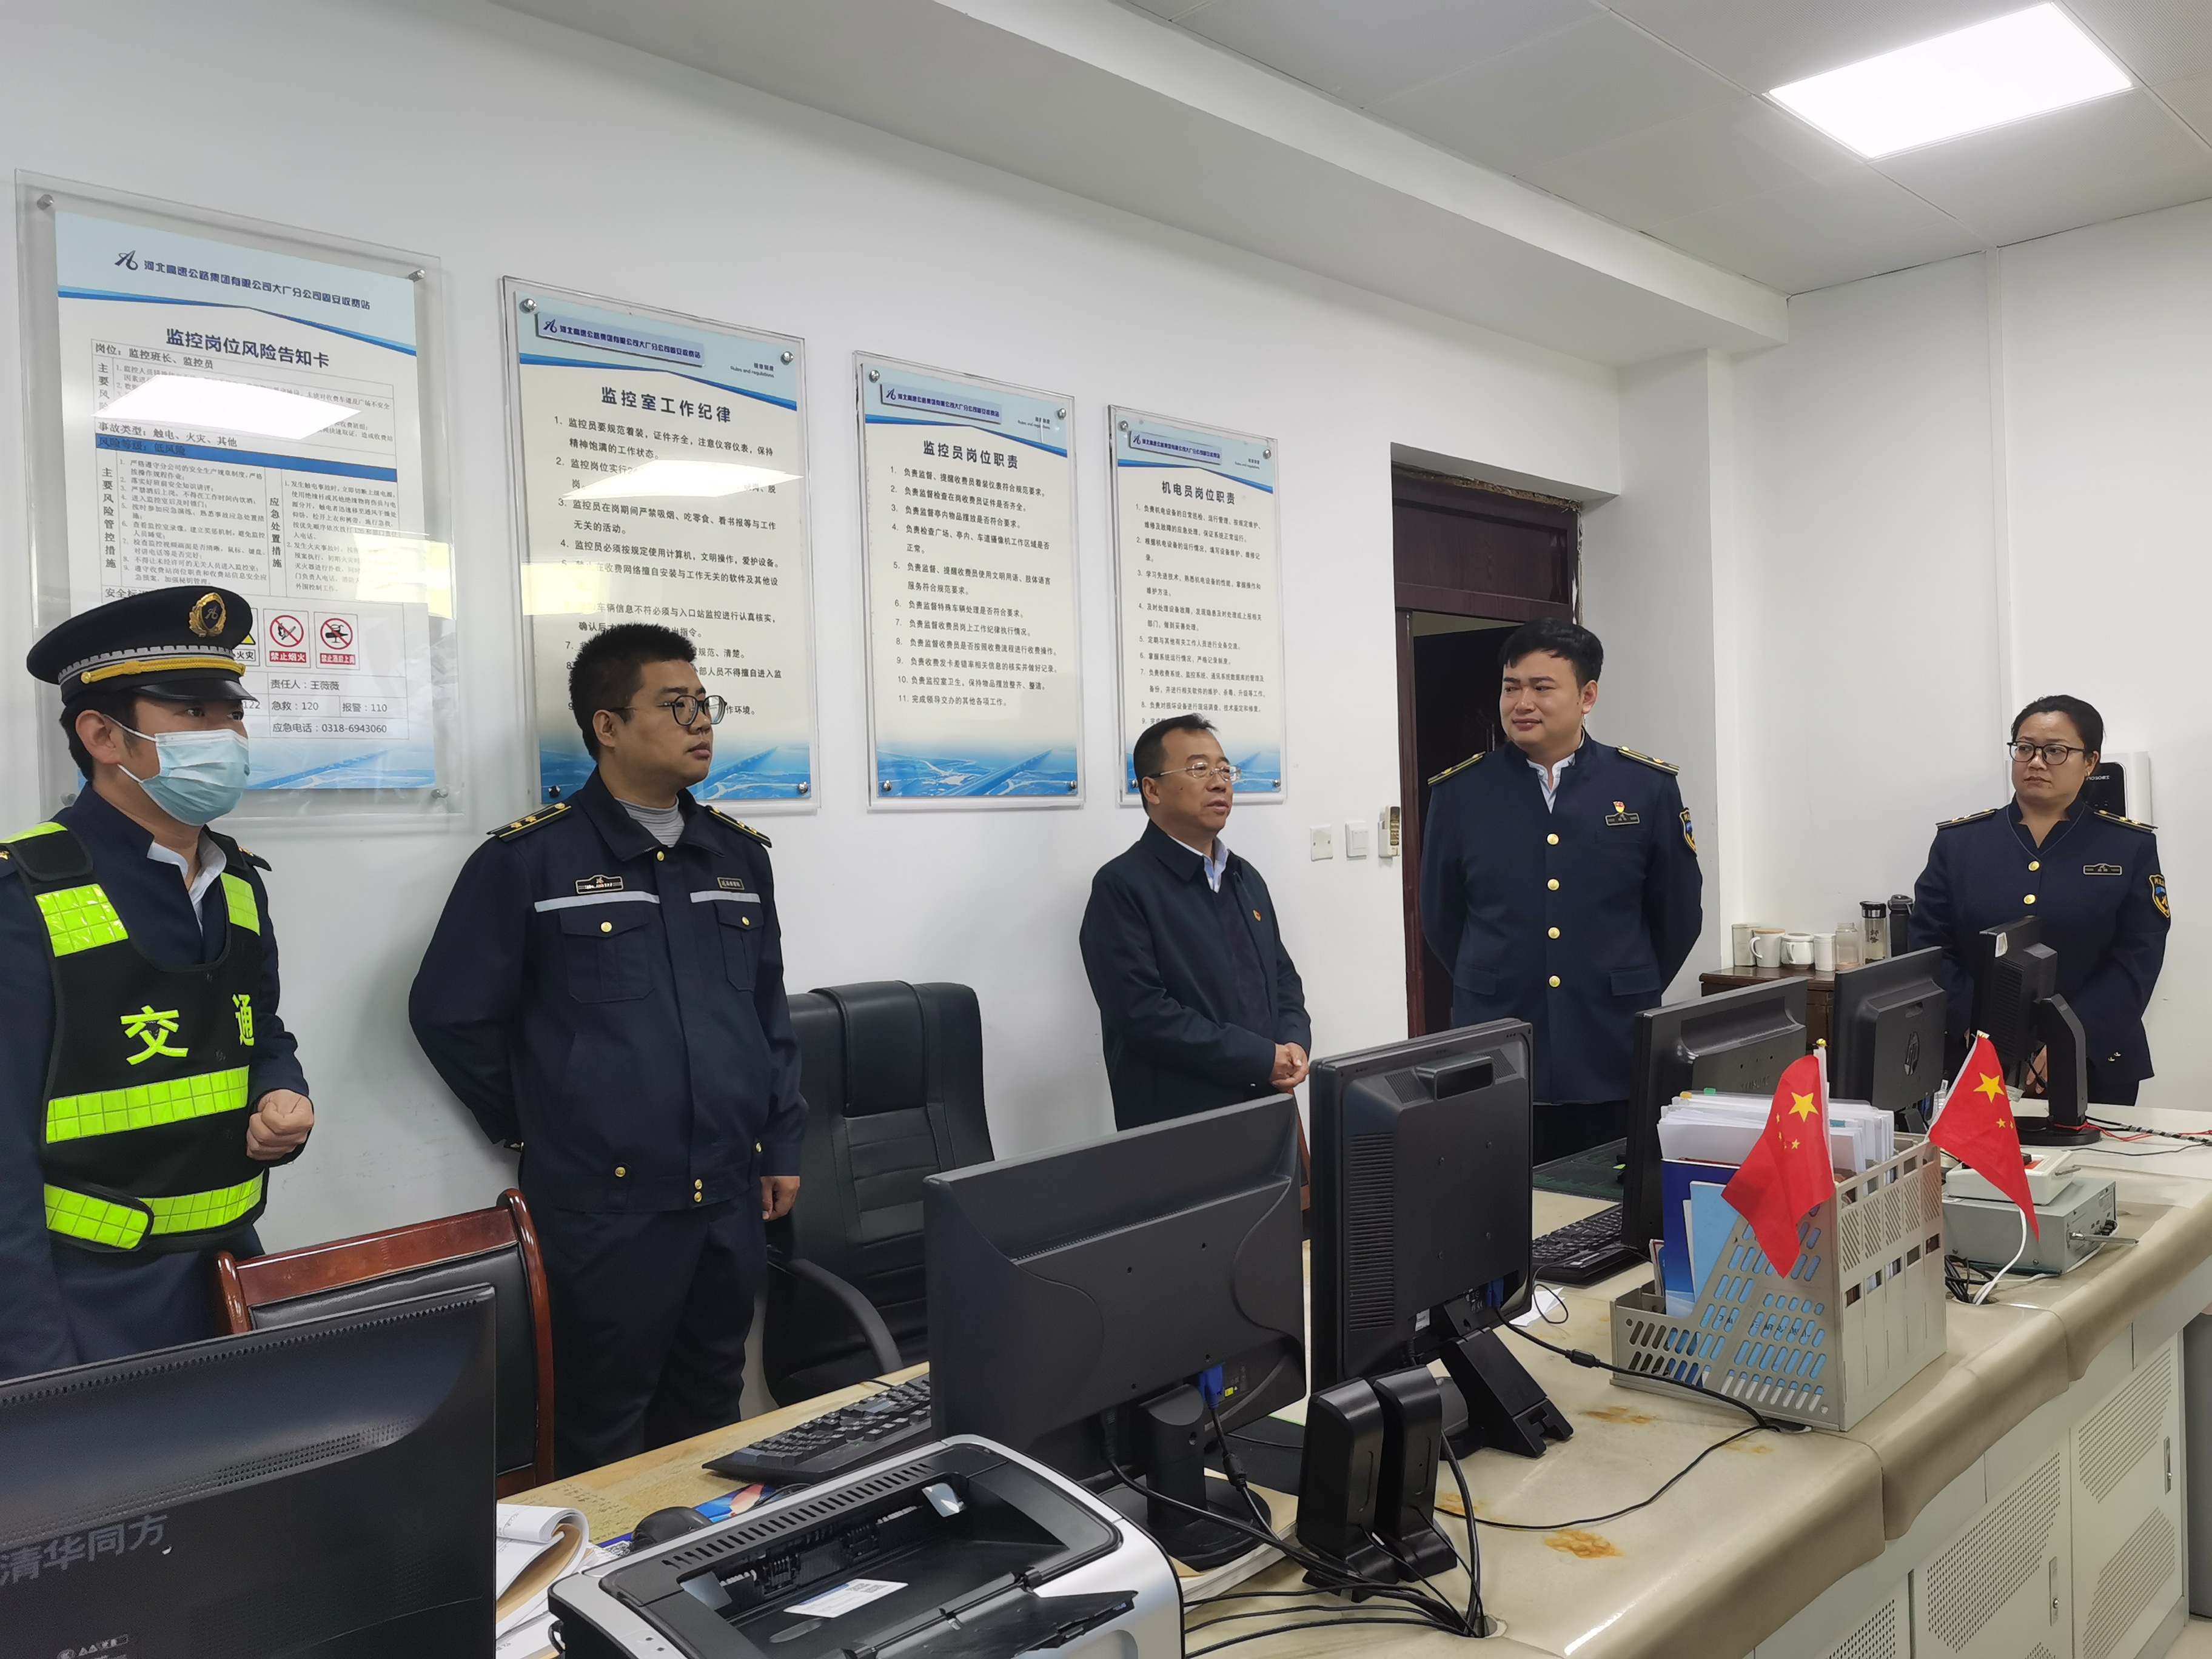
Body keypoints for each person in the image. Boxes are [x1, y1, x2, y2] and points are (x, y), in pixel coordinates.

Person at [410, 623, 802, 1475]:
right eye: (675, 705)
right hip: (603, 1212)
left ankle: (704, 1556)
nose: (701, 721)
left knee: (713, 1416)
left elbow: (766, 1012)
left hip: (727, 1199)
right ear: (608, 726)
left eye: (705, 703)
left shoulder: (737, 857)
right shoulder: (530, 860)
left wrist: (781, 1143)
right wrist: (540, 1123)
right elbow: (450, 1014)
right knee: (600, 1426)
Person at [0, 586, 315, 1381]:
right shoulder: (24, 896)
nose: (228, 738)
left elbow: (260, 1031)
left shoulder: (234, 879)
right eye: (195, 714)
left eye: (232, 714)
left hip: (228, 1272)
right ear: (102, 735)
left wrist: (281, 1093)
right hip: (89, 1301)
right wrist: (37, 1363)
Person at [1419, 618, 1703, 1162]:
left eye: (1542, 687)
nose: (1522, 703)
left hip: (1611, 1046)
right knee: (1496, 1199)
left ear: (1587, 696)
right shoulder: (1461, 793)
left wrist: (1618, 982)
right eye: (1511, 687)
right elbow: (1441, 918)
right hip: (1498, 1044)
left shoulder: (1645, 787)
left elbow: (1678, 916)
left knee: (1610, 1201)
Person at [1911, 694, 2168, 1105]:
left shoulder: (2127, 846)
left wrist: (2075, 1037)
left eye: (2055, 751)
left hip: (2094, 1059)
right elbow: (1929, 946)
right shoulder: (1959, 844)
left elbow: (2139, 955)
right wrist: (1980, 1032)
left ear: (2090, 762)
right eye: (2025, 748)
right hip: (1976, 1057)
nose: (2036, 762)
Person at [1080, 714, 1312, 1131]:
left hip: (1267, 1101)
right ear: (1151, 789)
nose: (1219, 782)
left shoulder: (1244, 877)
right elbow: (1143, 1014)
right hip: (1180, 1121)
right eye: (1199, 769)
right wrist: (1260, 1057)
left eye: (1224, 770)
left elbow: (1281, 976)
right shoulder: (1121, 886)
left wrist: (1294, 1041)